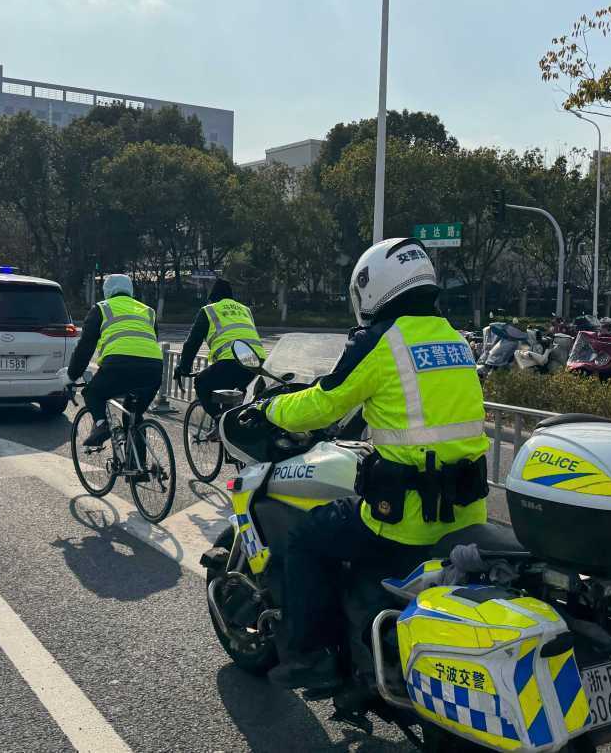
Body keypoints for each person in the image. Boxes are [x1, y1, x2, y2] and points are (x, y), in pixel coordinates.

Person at [251, 238, 489, 690]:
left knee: (305, 538)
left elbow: (324, 403)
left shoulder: (382, 342)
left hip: (402, 522)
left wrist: (269, 409)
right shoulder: (456, 341)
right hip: (465, 516)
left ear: (371, 287)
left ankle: (311, 656)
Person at [66, 274, 164, 454]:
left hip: (118, 366)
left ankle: (101, 425)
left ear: (106, 291)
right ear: (130, 290)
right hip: (153, 368)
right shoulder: (148, 310)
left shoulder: (102, 308)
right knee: (134, 416)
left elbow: (85, 347)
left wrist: (71, 375)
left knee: (92, 393)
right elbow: (152, 338)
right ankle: (138, 466)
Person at [174, 278, 265, 420]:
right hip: (258, 362)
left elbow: (193, 342)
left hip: (231, 361)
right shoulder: (245, 310)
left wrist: (183, 367)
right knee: (242, 399)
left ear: (212, 298)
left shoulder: (209, 310)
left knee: (202, 382)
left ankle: (219, 421)